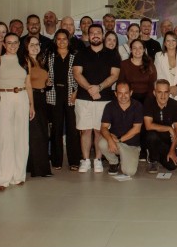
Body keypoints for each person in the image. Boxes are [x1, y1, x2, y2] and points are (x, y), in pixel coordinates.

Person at [0, 33, 35, 191]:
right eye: (9, 43)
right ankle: (1, 178)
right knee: (3, 138)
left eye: (15, 42)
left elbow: (28, 84)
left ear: (19, 44)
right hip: (4, 98)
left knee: (21, 137)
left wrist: (31, 105)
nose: (12, 45)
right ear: (3, 44)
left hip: (22, 98)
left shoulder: (25, 61)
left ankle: (18, 175)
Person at [73, 24, 120, 173]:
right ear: (88, 36)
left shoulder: (112, 54)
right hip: (84, 98)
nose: (95, 35)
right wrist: (90, 89)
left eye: (98, 32)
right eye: (92, 33)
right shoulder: (81, 53)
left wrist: (99, 88)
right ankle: (86, 160)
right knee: (85, 131)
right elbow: (76, 73)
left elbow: (115, 75)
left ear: (103, 35)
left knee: (100, 131)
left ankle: (98, 160)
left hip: (104, 99)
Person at [46, 29, 82, 171]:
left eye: (64, 39)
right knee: (56, 128)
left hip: (71, 93)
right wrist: (46, 81)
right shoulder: (49, 55)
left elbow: (81, 75)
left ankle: (74, 160)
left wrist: (77, 91)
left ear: (69, 40)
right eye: (59, 39)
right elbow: (44, 73)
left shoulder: (75, 55)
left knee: (73, 128)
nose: (62, 41)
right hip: (54, 94)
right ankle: (56, 160)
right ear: (55, 40)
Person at [23, 35, 52, 178]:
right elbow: (26, 84)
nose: (35, 47)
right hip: (31, 98)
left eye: (37, 44)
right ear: (26, 47)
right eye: (31, 45)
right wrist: (30, 104)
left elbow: (43, 82)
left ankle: (32, 166)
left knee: (42, 133)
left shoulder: (41, 61)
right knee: (36, 135)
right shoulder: (26, 62)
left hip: (42, 98)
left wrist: (47, 84)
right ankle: (39, 169)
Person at [99, 82, 142, 177]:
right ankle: (114, 162)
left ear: (131, 93)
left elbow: (136, 129)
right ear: (115, 94)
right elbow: (103, 127)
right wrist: (110, 140)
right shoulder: (109, 106)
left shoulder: (137, 106)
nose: (123, 96)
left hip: (131, 145)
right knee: (102, 143)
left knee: (129, 172)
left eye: (126, 93)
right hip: (116, 143)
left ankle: (127, 157)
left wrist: (119, 140)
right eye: (120, 93)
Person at [143, 79, 177, 173]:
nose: (163, 96)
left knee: (172, 166)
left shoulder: (175, 105)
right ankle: (152, 159)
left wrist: (172, 150)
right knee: (152, 136)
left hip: (166, 140)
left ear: (169, 93)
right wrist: (169, 128)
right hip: (151, 138)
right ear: (154, 93)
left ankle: (158, 155)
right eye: (159, 92)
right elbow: (148, 126)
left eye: (166, 92)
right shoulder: (148, 102)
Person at [154, 31, 177, 113]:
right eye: (168, 40)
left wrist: (176, 87)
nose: (171, 43)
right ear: (164, 43)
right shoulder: (158, 56)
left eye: (173, 40)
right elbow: (158, 74)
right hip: (164, 92)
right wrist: (169, 88)